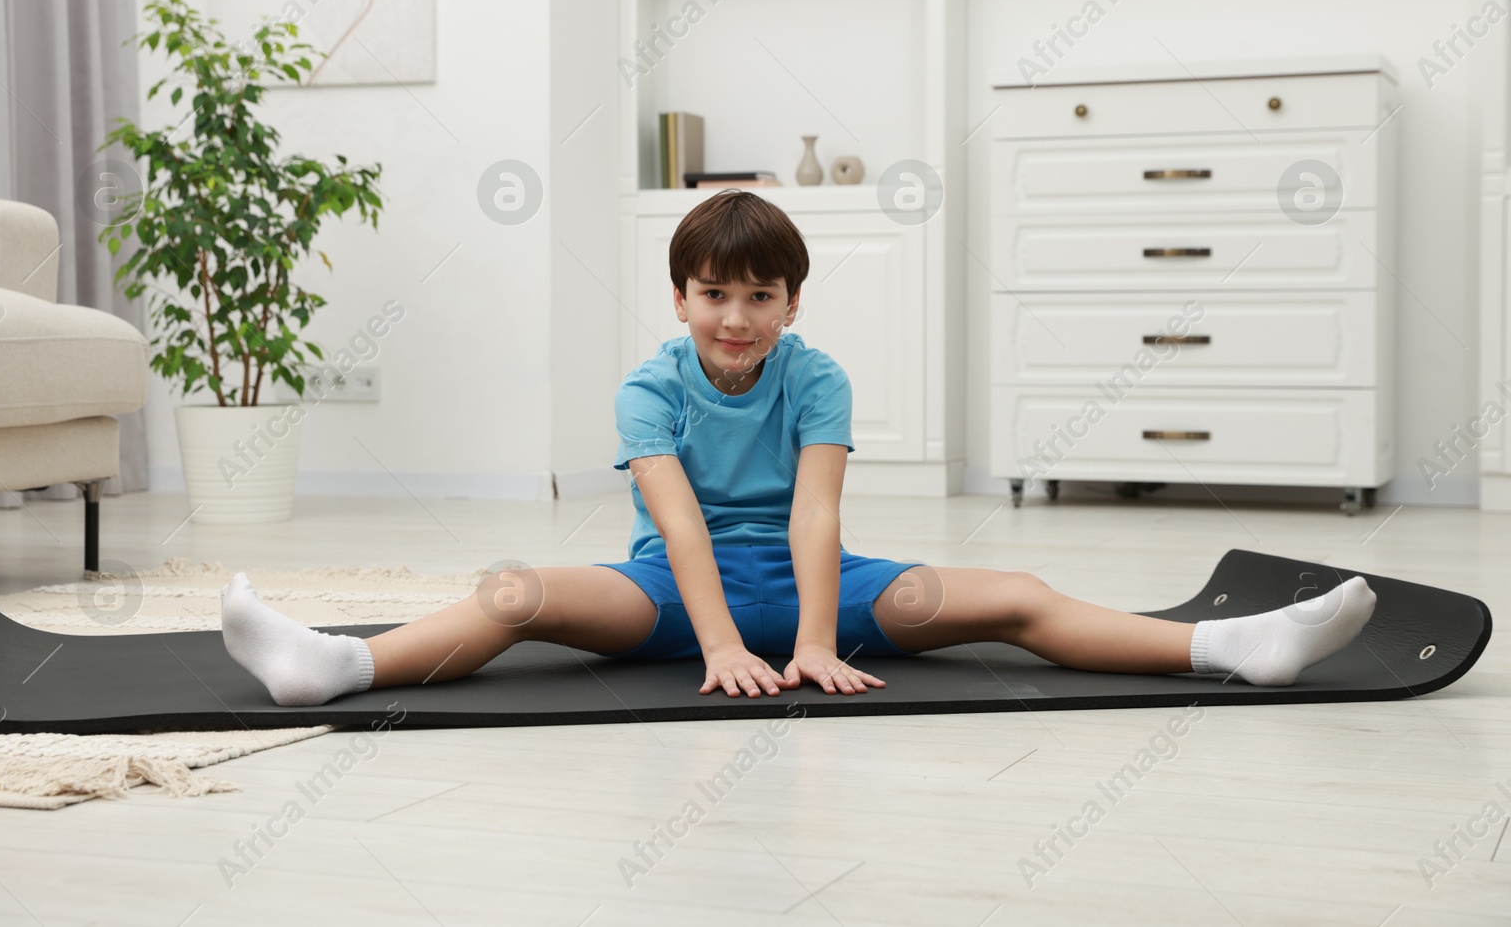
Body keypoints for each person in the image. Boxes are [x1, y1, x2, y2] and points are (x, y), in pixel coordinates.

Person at [219, 190, 1377, 707]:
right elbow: (675, 525)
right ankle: (338, 664)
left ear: (792, 301)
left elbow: (815, 514)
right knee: (512, 587)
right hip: (666, 601)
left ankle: (1234, 647)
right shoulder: (645, 387)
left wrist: (816, 640)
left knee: (1017, 589)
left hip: (817, 589)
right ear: (679, 296)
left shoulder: (815, 376)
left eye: (759, 295)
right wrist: (719, 646)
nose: (736, 317)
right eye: (714, 293)